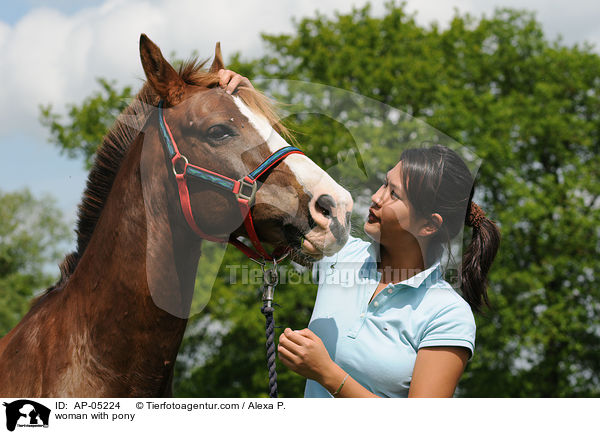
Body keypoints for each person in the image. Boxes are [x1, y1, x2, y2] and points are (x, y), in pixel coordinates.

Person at [217, 69, 501, 397]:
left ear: (429, 225)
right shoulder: (342, 256)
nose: (376, 198)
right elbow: (288, 181)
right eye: (384, 183)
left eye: (394, 195)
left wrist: (328, 375)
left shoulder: (446, 313)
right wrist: (246, 107)